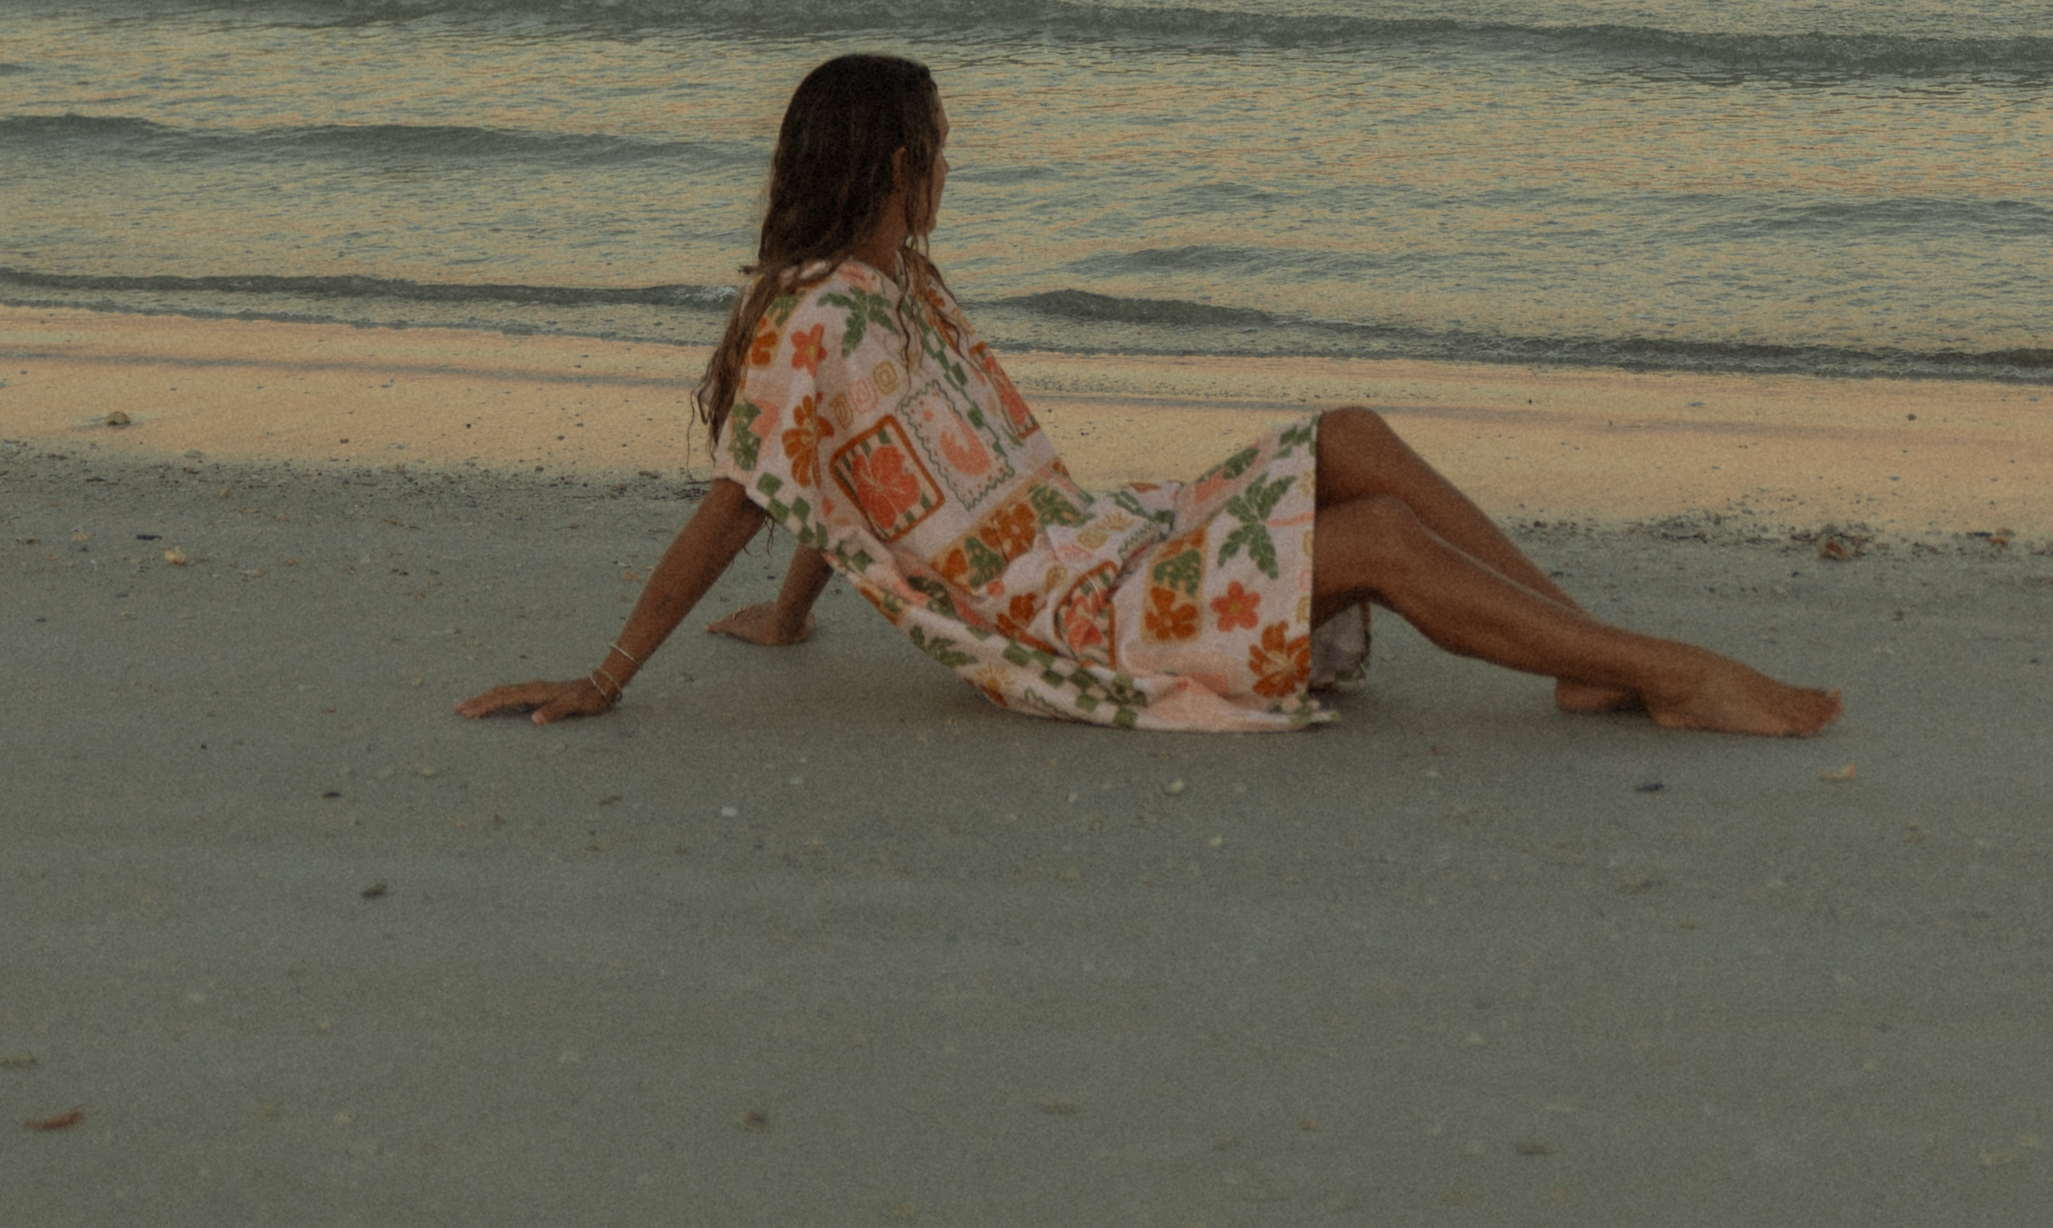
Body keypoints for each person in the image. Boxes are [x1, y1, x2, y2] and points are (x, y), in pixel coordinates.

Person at [461, 52, 1841, 743]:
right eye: (936, 148)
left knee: (1348, 436)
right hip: (1073, 617)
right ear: (897, 159)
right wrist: (611, 671)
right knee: (1376, 546)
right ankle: (1683, 676)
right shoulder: (813, 320)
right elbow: (742, 493)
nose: (946, 166)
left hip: (1099, 541)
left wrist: (795, 606)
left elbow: (849, 479)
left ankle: (1585, 653)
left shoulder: (899, 288)